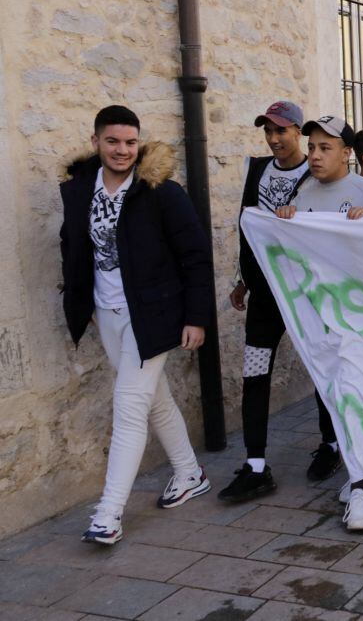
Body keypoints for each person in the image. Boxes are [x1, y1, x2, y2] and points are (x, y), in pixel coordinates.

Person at [61, 105, 213, 545]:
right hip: (106, 314)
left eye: (130, 142)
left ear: (139, 142)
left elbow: (195, 255)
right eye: (112, 141)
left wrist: (196, 317)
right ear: (96, 142)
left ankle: (108, 515)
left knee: (128, 407)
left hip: (154, 314)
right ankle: (189, 473)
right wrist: (80, 298)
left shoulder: (160, 191)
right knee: (153, 398)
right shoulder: (78, 190)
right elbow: (71, 243)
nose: (122, 150)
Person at [274, 114, 363, 529]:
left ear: (347, 154)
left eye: (325, 148)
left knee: (355, 393)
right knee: (338, 397)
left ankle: (360, 489)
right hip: (320, 317)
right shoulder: (303, 190)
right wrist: (287, 219)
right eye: (311, 147)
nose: (314, 155)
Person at [218, 101, 312, 503]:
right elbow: (246, 227)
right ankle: (255, 464)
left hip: (305, 297)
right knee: (254, 375)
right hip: (264, 299)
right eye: (268, 132)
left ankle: (330, 446)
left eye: (281, 131)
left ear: (298, 131)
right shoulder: (255, 170)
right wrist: (241, 279)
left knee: (321, 368)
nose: (274, 139)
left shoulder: (315, 172)